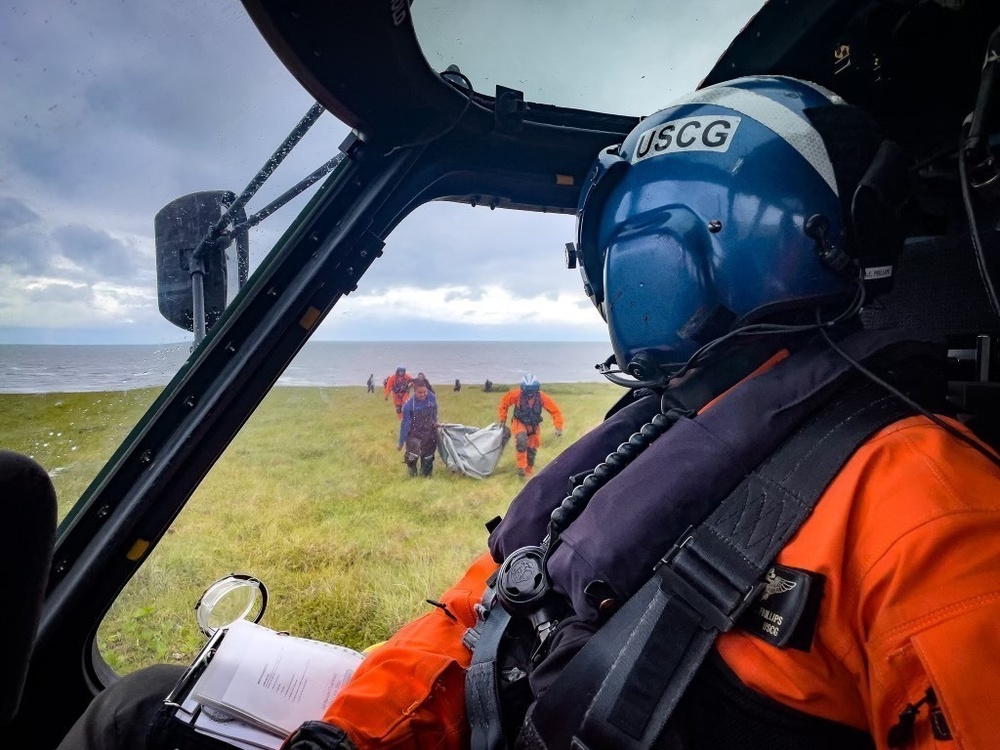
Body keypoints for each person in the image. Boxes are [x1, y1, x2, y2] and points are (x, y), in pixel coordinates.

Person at [55, 76, 1000, 750]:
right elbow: (481, 617)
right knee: (140, 707)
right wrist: (343, 738)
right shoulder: (646, 436)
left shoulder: (928, 500)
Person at [497, 375, 564, 478]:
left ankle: (528, 472)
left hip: (533, 426)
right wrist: (502, 419)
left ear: (536, 388)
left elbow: (555, 411)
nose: (530, 392)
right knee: (521, 440)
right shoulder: (516, 394)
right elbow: (504, 403)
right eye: (527, 389)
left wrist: (558, 426)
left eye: (532, 389)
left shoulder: (542, 397)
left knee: (532, 449)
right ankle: (521, 468)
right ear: (523, 388)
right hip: (519, 423)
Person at [396, 378, 439, 477]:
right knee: (411, 457)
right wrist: (400, 442)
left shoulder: (432, 398)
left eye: (425, 392)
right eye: (420, 393)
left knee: (428, 457)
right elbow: (405, 424)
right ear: (414, 392)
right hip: (413, 434)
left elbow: (435, 410)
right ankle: (413, 478)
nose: (423, 394)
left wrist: (436, 421)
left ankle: (426, 478)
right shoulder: (408, 405)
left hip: (428, 433)